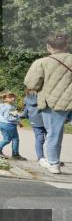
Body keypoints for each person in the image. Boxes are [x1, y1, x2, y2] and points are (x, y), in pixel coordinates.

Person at [24, 32, 72, 175]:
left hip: (53, 103)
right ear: (67, 46)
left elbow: (31, 84)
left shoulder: (41, 62)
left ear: (48, 47)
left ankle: (53, 164)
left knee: (53, 135)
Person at [0, 92, 24, 160]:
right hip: (9, 125)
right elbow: (8, 118)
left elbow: (13, 115)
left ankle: (0, 150)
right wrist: (18, 117)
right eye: (10, 97)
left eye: (13, 96)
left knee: (11, 139)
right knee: (11, 139)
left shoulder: (5, 106)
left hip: (2, 124)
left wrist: (18, 122)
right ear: (5, 99)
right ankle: (13, 154)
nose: (13, 98)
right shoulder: (8, 107)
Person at [21, 89, 48, 166]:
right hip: (46, 119)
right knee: (50, 138)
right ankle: (52, 158)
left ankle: (40, 158)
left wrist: (22, 116)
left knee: (39, 138)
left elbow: (26, 110)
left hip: (34, 120)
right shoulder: (43, 95)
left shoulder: (27, 98)